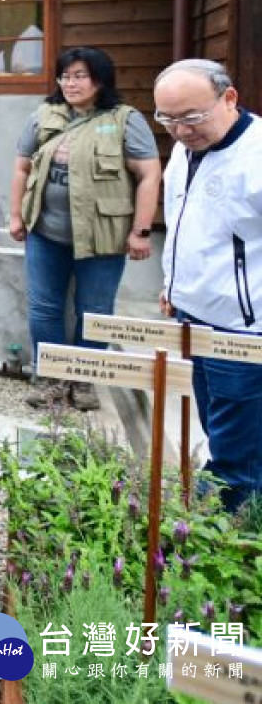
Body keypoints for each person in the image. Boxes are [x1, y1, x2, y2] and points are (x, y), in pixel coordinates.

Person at [8, 47, 162, 411]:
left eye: (79, 75)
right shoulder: (44, 115)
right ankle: (51, 379)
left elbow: (149, 174)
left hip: (103, 236)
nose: (70, 83)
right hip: (46, 233)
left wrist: (141, 231)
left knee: (94, 310)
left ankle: (85, 379)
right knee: (44, 309)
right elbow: (21, 168)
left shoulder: (125, 119)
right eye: (65, 75)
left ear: (100, 79)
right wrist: (16, 215)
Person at [156, 58, 262, 512]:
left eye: (192, 117)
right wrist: (171, 284)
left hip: (243, 327)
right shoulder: (186, 148)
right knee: (217, 423)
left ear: (230, 98)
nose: (180, 130)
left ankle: (235, 541)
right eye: (168, 119)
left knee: (238, 449)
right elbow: (182, 223)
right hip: (192, 314)